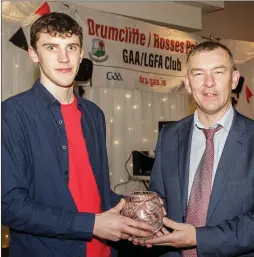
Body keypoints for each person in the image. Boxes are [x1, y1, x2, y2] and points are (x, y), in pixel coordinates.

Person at [2, 12, 153, 257]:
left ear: (81, 53)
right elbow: (10, 207)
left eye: (71, 47)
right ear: (33, 54)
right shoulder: (12, 114)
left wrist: (134, 206)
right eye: (51, 47)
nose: (64, 58)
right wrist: (92, 225)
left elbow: (94, 191)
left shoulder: (94, 114)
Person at [144, 41, 254, 256]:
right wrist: (144, 216)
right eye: (198, 74)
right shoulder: (169, 136)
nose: (209, 83)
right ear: (187, 83)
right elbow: (159, 197)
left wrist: (198, 238)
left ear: (234, 80)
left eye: (218, 72)